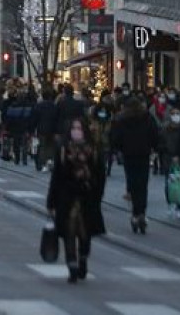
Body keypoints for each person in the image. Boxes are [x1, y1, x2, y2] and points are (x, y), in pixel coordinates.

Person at [46, 119, 106, 283]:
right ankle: (72, 265)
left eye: (79, 128)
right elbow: (56, 176)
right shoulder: (64, 149)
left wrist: (97, 196)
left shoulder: (93, 150)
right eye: (73, 128)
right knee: (69, 232)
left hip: (87, 197)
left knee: (85, 234)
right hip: (67, 197)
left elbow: (100, 176)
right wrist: (51, 202)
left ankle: (83, 259)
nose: (76, 131)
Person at [110, 95, 162, 234]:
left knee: (132, 183)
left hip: (129, 155)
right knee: (143, 185)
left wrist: (119, 149)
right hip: (144, 154)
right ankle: (142, 213)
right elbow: (155, 135)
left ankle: (135, 214)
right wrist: (154, 148)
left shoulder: (121, 119)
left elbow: (115, 137)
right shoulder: (147, 118)